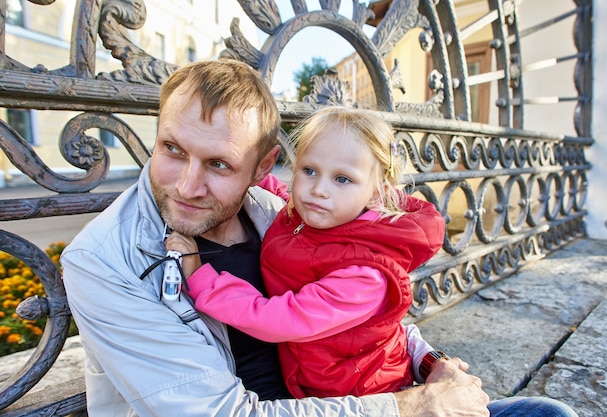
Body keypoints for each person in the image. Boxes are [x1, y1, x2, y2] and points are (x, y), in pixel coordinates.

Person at [61, 59, 577, 417]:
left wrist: (429, 362)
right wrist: (408, 407)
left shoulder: (279, 212)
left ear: (262, 168)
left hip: (343, 396)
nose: (187, 185)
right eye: (172, 149)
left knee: (549, 413)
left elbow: (364, 307)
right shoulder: (104, 260)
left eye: (219, 164)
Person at [164, 105, 446, 399]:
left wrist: (201, 278)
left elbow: (280, 319)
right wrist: (245, 172)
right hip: (319, 377)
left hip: (360, 395)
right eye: (309, 170)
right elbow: (286, 195)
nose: (318, 190)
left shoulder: (365, 275)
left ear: (375, 194)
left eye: (342, 179)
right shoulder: (316, 215)